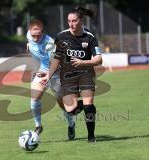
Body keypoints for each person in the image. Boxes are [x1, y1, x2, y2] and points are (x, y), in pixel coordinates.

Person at [41, 7, 103, 143]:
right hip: (67, 75)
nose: (71, 24)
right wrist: (48, 76)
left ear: (81, 21)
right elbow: (56, 59)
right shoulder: (61, 37)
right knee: (70, 110)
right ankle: (88, 107)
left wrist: (83, 62)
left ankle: (91, 136)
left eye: (74, 21)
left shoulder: (90, 37)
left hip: (85, 72)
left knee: (88, 104)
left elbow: (99, 60)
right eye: (69, 21)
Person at [26, 20, 82, 140]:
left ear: (43, 32)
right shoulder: (29, 37)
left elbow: (56, 63)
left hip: (56, 72)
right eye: (33, 35)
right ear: (30, 32)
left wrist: (48, 76)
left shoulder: (50, 44)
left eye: (38, 35)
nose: (35, 38)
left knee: (63, 104)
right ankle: (38, 126)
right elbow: (31, 44)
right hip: (42, 70)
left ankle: (71, 124)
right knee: (34, 97)